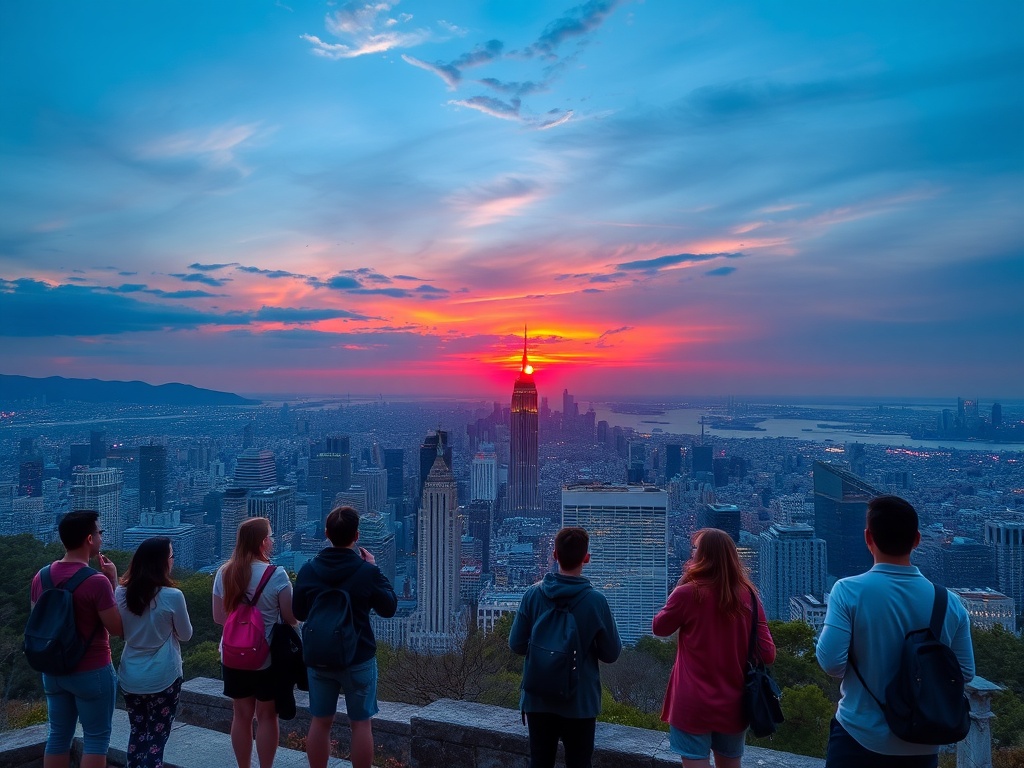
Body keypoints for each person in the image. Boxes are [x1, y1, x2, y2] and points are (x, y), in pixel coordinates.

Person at [816, 495, 975, 768]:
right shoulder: (949, 603)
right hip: (922, 741)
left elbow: (831, 662)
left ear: (868, 538)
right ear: (917, 539)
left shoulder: (848, 591)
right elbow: (965, 672)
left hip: (857, 736)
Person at [652, 527, 776, 768]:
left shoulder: (688, 593)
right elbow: (767, 653)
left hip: (692, 702)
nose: (692, 553)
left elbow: (659, 628)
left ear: (704, 556)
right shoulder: (749, 596)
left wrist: (678, 588)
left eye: (696, 549)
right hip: (734, 703)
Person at [293, 506, 398, 768]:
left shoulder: (308, 570)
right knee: (361, 724)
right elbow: (389, 608)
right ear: (357, 536)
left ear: (327, 534)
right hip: (358, 656)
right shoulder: (366, 572)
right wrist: (375, 570)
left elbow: (298, 611)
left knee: (320, 721)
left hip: (319, 657)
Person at [509, 526, 622, 768]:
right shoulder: (595, 601)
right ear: (586, 558)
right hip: (579, 702)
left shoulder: (532, 595)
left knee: (540, 762)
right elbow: (611, 653)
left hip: (537, 699)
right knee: (580, 763)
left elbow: (516, 644)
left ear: (554, 555)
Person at [30, 510, 123, 768]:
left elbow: (37, 624)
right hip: (91, 669)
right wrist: (112, 581)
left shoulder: (42, 576)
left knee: (58, 736)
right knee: (96, 739)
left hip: (52, 670)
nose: (102, 538)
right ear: (89, 539)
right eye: (100, 533)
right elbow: (116, 628)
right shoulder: (96, 582)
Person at [213, 516, 297, 768]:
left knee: (241, 715)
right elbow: (290, 617)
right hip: (266, 657)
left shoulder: (224, 572)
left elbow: (219, 617)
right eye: (270, 536)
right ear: (262, 543)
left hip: (232, 655)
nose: (272, 541)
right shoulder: (277, 574)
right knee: (267, 715)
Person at [115, 536, 193, 768]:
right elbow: (186, 634)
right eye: (171, 556)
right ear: (162, 562)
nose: (173, 560)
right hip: (163, 676)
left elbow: (121, 629)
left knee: (137, 733)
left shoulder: (121, 593)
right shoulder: (172, 596)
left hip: (130, 675)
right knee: (156, 741)